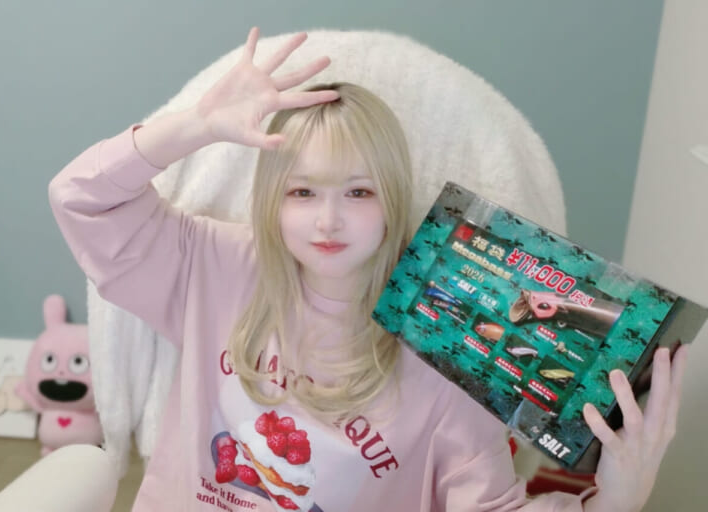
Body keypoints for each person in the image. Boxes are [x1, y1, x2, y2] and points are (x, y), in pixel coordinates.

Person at [48, 27, 688, 512]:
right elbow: (79, 198)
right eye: (302, 192)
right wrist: (193, 127)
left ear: (393, 199)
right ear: (272, 198)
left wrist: (618, 496)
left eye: (358, 192)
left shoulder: (446, 343)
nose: (327, 221)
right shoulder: (211, 262)